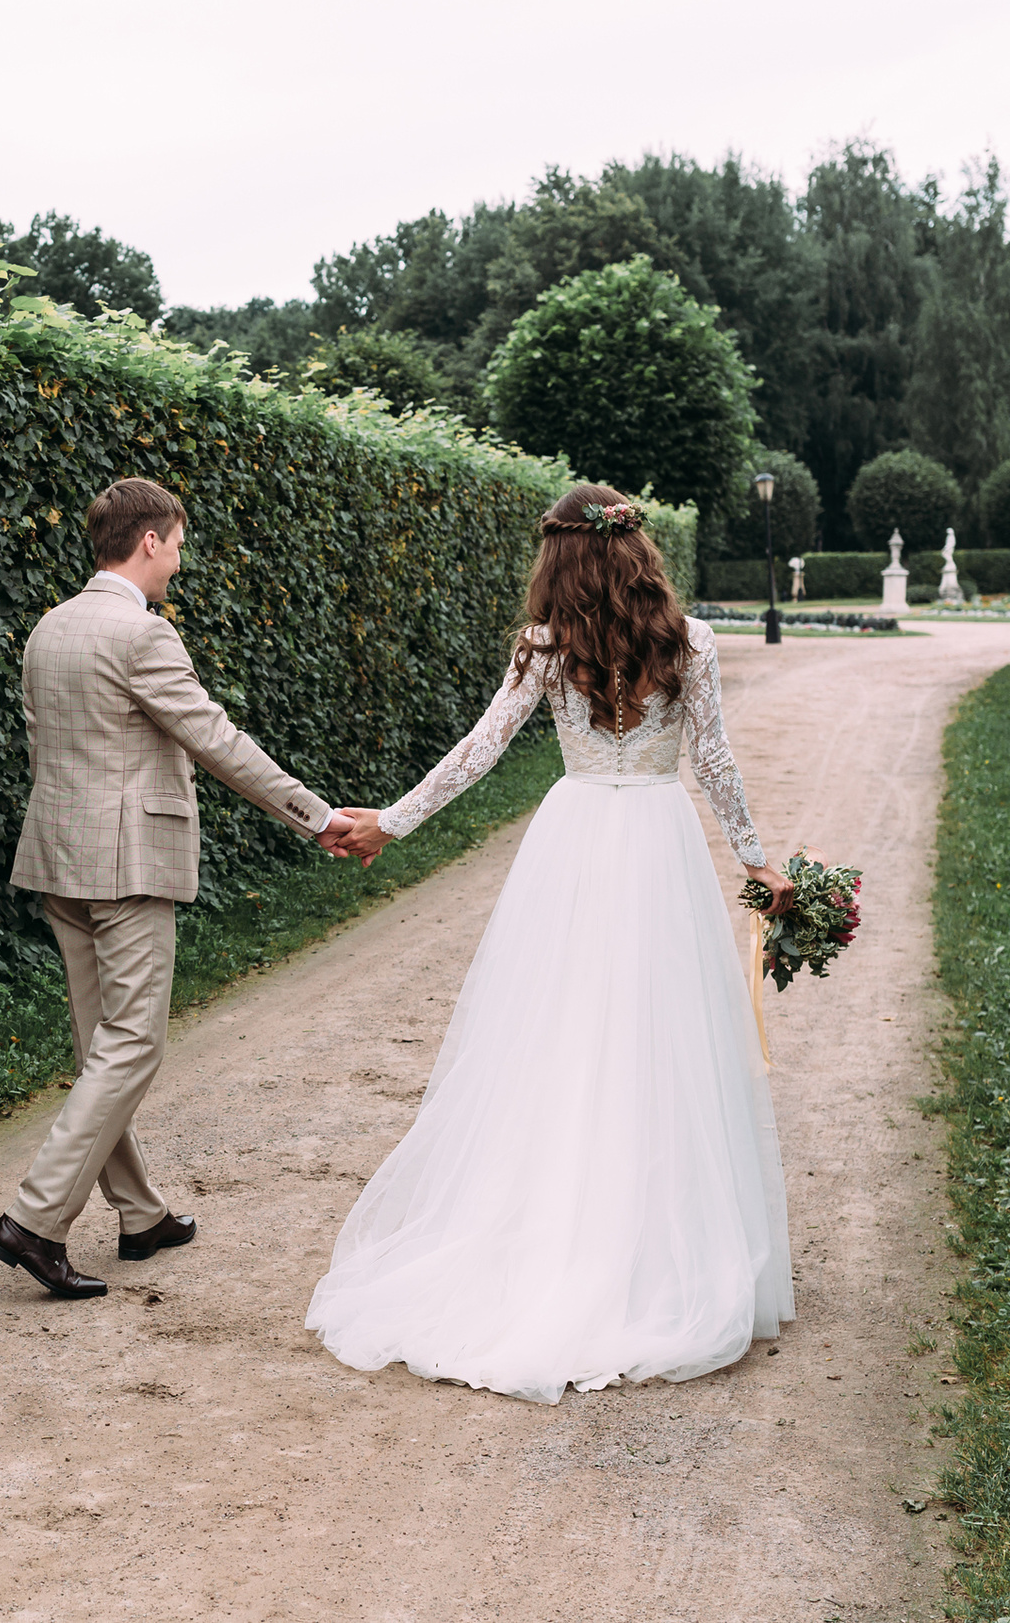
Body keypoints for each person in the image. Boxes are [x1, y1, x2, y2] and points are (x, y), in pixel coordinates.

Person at [308, 483, 796, 1402]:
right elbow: (715, 761)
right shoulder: (688, 643)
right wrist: (760, 863)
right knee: (661, 1043)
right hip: (658, 841)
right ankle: (652, 1243)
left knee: (561, 1033)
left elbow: (480, 748)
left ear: (558, 557)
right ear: (640, 549)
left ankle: (558, 1226)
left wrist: (394, 822)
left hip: (573, 841)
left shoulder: (545, 647)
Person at [0, 477, 354, 1299]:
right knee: (132, 1045)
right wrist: (315, 814)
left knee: (99, 1047)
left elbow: (49, 744)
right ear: (149, 540)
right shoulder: (142, 634)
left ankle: (141, 1214)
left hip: (58, 857)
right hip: (127, 864)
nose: (179, 563)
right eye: (179, 545)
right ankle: (35, 1222)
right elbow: (215, 739)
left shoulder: (50, 627)